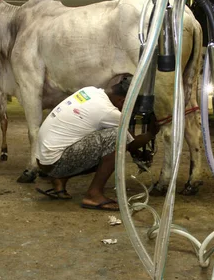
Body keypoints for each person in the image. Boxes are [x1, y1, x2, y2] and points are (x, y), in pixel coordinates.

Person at [35, 73, 159, 211]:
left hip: (45, 159)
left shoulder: (91, 91)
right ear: (123, 102)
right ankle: (93, 195)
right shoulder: (108, 112)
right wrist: (151, 133)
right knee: (117, 137)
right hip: (55, 162)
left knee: (105, 141)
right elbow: (130, 142)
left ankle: (60, 179)